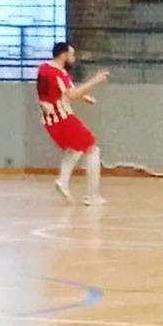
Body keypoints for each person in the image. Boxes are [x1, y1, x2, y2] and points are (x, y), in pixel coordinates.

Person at [37, 42, 109, 206]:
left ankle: (62, 181)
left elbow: (56, 91)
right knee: (92, 148)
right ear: (63, 55)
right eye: (71, 54)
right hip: (63, 119)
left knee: (75, 148)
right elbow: (72, 94)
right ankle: (91, 195)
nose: (73, 58)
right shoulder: (59, 73)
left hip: (49, 121)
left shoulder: (43, 69)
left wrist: (84, 97)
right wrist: (95, 81)